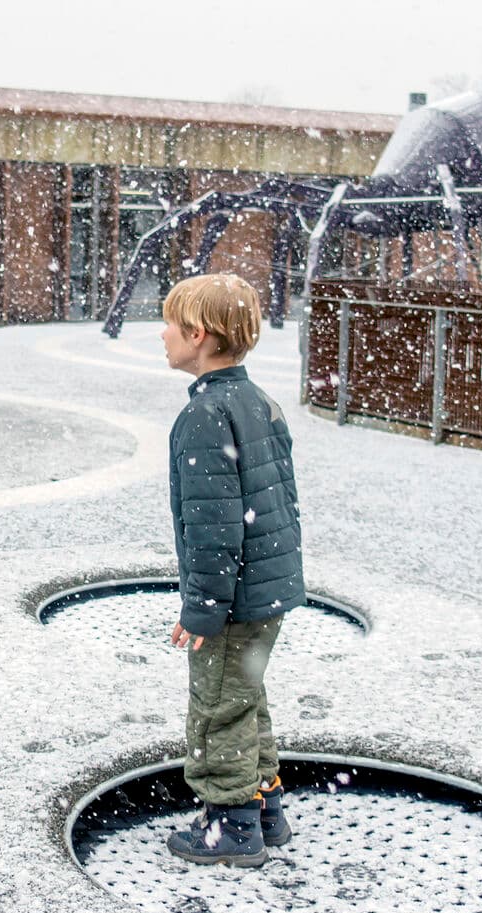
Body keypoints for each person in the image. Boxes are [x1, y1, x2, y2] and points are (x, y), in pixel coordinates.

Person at [158, 273, 305, 867]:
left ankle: (230, 825)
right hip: (266, 589)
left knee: (217, 706)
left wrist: (203, 609)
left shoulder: (205, 416)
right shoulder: (255, 401)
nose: (161, 334)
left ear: (198, 335)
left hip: (233, 598)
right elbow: (280, 503)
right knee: (246, 698)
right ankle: (264, 804)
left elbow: (215, 527)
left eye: (169, 323)